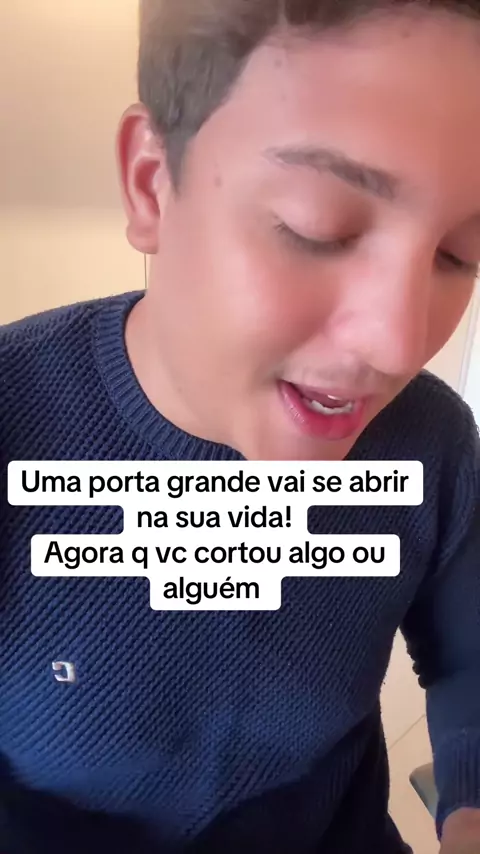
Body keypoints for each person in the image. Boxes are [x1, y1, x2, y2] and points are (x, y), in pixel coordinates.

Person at [0, 0, 479, 851]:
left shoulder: (430, 442)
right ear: (151, 180)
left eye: (461, 255)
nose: (400, 345)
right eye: (316, 228)